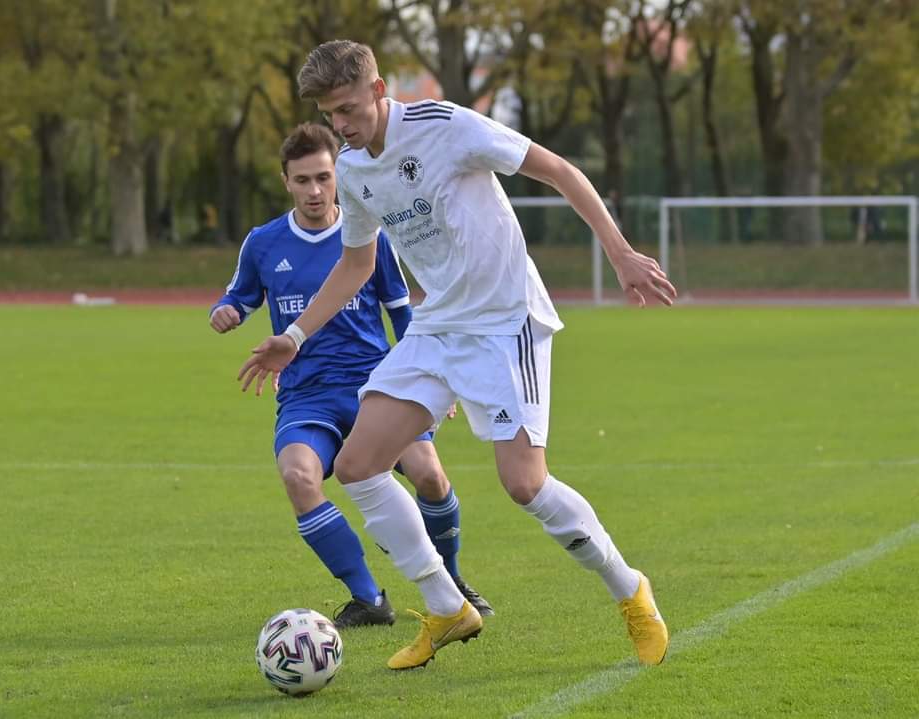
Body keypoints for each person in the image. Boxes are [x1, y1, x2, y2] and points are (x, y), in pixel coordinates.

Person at [239, 40, 678, 670]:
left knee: (524, 485)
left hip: (506, 323)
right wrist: (296, 335)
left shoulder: (446, 124)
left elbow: (558, 170)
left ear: (379, 90)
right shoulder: (355, 168)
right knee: (360, 464)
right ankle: (447, 607)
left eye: (347, 109)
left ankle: (629, 589)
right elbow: (357, 263)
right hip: (439, 323)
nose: (340, 125)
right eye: (330, 114)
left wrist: (620, 253)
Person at [211, 122, 493, 630]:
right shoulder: (263, 243)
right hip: (306, 396)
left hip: (378, 387)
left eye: (324, 177)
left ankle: (452, 584)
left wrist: (433, 375)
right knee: (298, 476)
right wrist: (226, 311)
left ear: (338, 175)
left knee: (428, 473)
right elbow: (240, 296)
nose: (315, 191)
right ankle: (368, 597)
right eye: (303, 180)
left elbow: (403, 314)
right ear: (286, 181)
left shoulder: (371, 237)